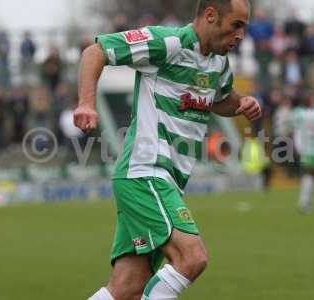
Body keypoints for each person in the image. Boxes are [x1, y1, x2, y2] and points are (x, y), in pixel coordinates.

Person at [74, 0, 261, 299]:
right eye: (236, 25)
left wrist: (241, 104)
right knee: (192, 258)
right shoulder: (167, 43)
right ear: (211, 15)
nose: (240, 35)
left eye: (244, 27)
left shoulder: (218, 63)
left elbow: (220, 98)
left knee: (127, 288)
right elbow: (95, 51)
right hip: (145, 171)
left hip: (165, 180)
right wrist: (86, 103)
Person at [291, 92, 314, 214]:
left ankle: (305, 202)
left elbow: (293, 131)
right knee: (310, 174)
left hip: (304, 147)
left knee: (309, 174)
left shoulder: (297, 113)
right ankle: (304, 203)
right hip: (310, 148)